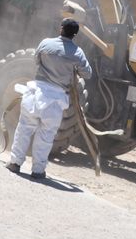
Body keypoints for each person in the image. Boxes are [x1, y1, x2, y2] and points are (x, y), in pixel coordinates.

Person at [6, 18, 93, 180]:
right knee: (46, 137)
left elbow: (36, 61)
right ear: (75, 35)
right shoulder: (77, 53)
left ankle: (15, 163)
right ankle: (38, 171)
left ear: (61, 29)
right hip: (56, 100)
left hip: (35, 93)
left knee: (24, 129)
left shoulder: (46, 43)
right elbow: (88, 74)